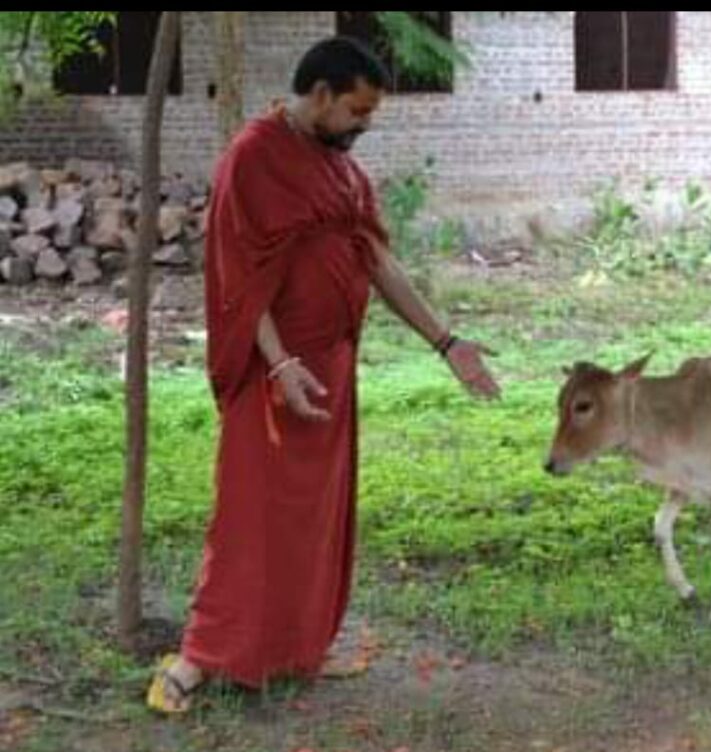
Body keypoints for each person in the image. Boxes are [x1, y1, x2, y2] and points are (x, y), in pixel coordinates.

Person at [146, 36, 500, 713]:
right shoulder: (252, 159)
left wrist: (446, 342)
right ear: (320, 96)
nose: (365, 124)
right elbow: (238, 277)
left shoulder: (344, 172)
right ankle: (199, 659)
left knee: (315, 522)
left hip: (332, 373)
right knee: (250, 518)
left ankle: (291, 648)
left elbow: (377, 263)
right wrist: (280, 364)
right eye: (358, 110)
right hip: (273, 373)